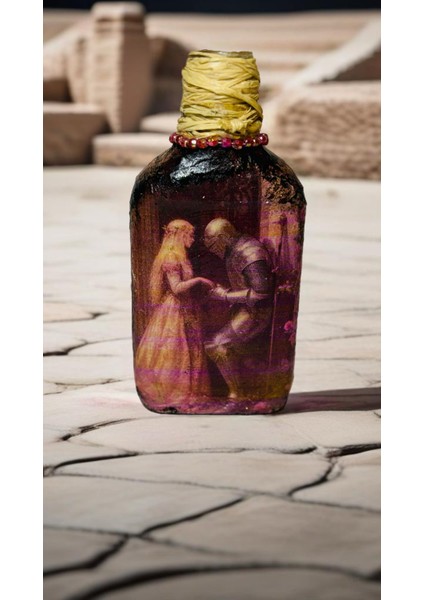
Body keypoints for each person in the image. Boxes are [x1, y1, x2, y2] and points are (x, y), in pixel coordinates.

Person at [135, 219, 213, 405]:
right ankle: (173, 394)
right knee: (174, 350)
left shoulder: (179, 255)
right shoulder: (171, 257)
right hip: (174, 309)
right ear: (180, 235)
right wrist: (200, 280)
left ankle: (188, 393)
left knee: (187, 349)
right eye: (190, 235)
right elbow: (176, 288)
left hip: (185, 307)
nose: (192, 239)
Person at [203, 218, 273, 399]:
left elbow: (262, 294)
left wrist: (224, 295)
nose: (212, 250)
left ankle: (237, 395)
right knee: (213, 343)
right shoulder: (234, 249)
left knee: (217, 345)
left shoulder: (249, 251)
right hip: (245, 310)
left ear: (222, 237)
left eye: (213, 245)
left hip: (258, 313)